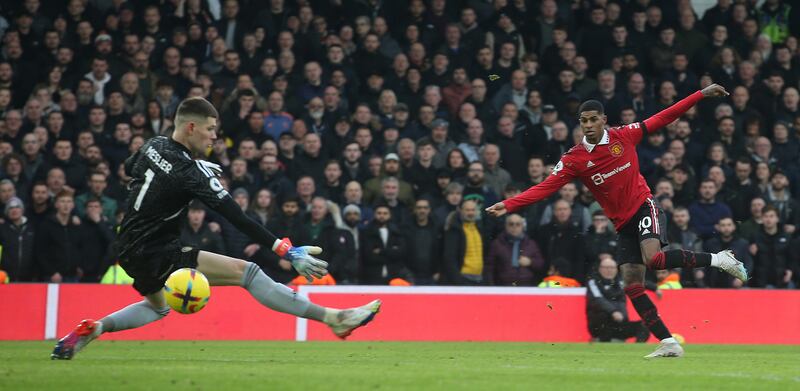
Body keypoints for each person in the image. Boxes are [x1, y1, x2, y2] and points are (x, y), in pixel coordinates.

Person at [52, 97, 380, 360]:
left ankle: (93, 328)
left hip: (129, 247)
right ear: (192, 127)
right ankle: (334, 318)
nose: (214, 136)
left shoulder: (153, 145)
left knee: (157, 307)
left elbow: (128, 168)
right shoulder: (191, 173)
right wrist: (285, 249)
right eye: (210, 129)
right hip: (157, 249)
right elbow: (236, 216)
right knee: (248, 273)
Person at [487, 84, 748, 358]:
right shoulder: (573, 159)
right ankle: (669, 342)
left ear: (603, 120)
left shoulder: (625, 135)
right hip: (623, 224)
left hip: (645, 206)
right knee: (632, 286)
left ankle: (720, 259)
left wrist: (700, 94)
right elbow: (546, 187)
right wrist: (509, 204)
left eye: (592, 120)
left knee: (655, 260)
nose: (587, 125)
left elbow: (665, 116)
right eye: (583, 121)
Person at [586, 256, 649, 342]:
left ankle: (635, 351)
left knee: (645, 325)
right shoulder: (593, 281)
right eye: (606, 268)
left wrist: (655, 287)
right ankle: (603, 346)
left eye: (612, 268)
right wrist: (613, 311)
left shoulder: (621, 282)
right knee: (602, 317)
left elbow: (638, 283)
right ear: (600, 269)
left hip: (619, 323)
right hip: (600, 325)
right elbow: (598, 299)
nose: (609, 270)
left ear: (616, 269)